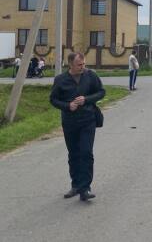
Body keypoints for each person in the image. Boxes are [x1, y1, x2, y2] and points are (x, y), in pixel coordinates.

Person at [49, 52, 105, 201]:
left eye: (84, 64)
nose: (83, 67)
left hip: (88, 120)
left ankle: (85, 189)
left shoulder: (90, 75)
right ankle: (76, 185)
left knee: (86, 153)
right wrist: (68, 106)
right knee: (73, 154)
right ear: (71, 65)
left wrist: (86, 99)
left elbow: (101, 92)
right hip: (70, 122)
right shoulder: (60, 80)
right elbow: (53, 100)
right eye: (79, 65)